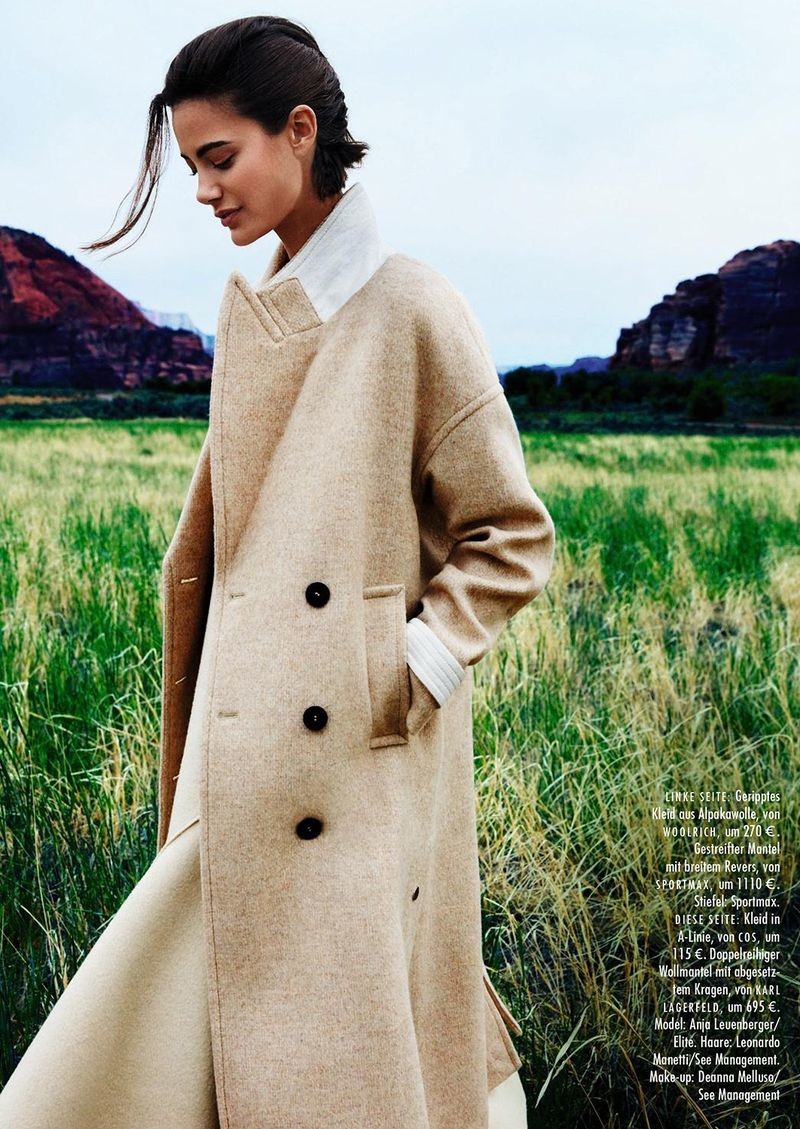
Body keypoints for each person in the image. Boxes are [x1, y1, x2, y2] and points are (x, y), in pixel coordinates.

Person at [0, 15, 555, 1128]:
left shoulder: (411, 305)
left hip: (352, 757)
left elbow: (511, 532)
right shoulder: (264, 304)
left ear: (300, 132)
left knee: (333, 1037)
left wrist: (409, 666)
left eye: (220, 157)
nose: (205, 191)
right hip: (245, 741)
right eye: (191, 166)